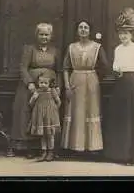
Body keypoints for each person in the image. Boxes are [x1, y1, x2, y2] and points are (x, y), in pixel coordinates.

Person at [103, 8, 134, 166]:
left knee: (131, 120)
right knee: (120, 119)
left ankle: (131, 156)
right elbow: (116, 67)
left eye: (126, 33)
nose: (123, 36)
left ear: (132, 34)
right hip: (119, 85)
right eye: (121, 33)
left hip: (132, 84)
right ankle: (118, 154)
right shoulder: (117, 49)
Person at [10, 23, 62, 159]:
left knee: (46, 116)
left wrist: (57, 86)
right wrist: (30, 83)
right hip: (31, 88)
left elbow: (59, 71)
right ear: (37, 35)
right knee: (28, 115)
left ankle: (46, 148)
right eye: (41, 34)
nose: (44, 37)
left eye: (47, 34)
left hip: (48, 89)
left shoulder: (55, 51)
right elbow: (23, 68)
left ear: (51, 36)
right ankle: (29, 147)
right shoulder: (29, 49)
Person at [60, 20, 109, 159]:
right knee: (76, 112)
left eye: (86, 27)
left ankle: (92, 147)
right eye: (80, 27)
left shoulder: (97, 47)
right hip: (75, 80)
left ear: (89, 30)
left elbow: (105, 65)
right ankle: (75, 147)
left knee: (91, 110)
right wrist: (67, 86)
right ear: (77, 30)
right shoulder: (71, 47)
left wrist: (95, 77)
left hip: (91, 81)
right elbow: (65, 68)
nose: (83, 30)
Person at [28, 73, 62, 162]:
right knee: (42, 135)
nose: (43, 84)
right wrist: (34, 98)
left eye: (45, 83)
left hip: (50, 116)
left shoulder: (52, 91)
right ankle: (44, 151)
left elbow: (58, 101)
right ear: (38, 83)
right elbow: (31, 104)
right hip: (40, 116)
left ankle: (50, 152)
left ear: (49, 84)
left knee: (50, 134)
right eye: (41, 82)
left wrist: (54, 110)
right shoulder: (37, 92)